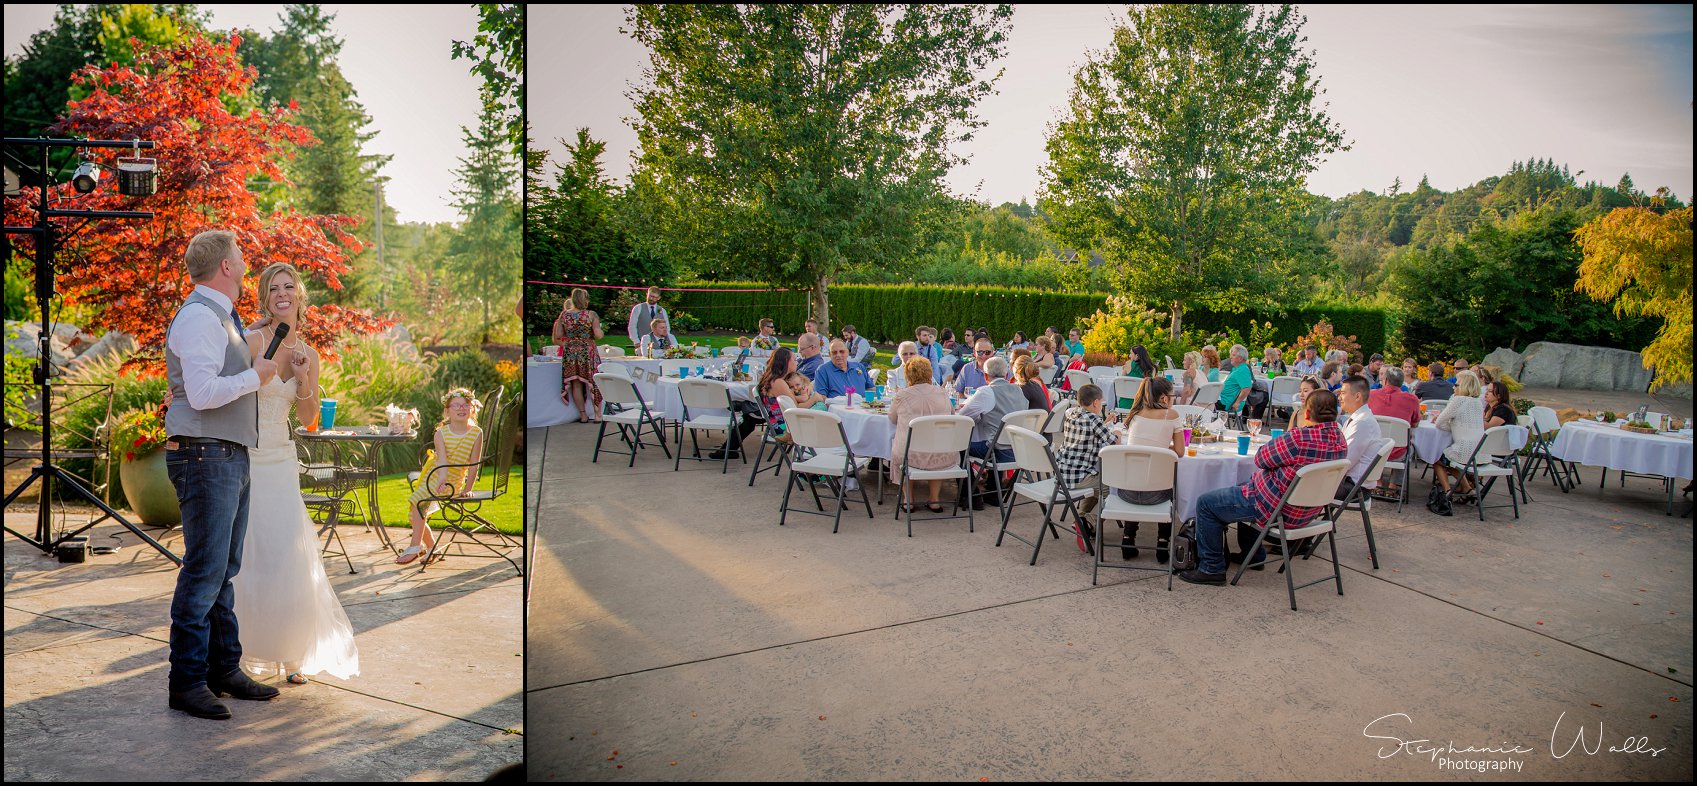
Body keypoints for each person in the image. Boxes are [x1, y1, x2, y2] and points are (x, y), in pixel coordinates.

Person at [163, 230, 282, 719]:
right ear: (226, 267)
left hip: (225, 454)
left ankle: (223, 668)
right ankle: (186, 680)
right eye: (239, 255)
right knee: (204, 568)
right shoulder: (197, 316)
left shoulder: (221, 316)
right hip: (204, 456)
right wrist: (258, 376)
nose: (244, 261)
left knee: (224, 569)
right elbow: (204, 392)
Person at [227, 263, 360, 688]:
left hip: (282, 459)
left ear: (299, 295)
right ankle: (243, 651)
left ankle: (291, 653)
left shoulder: (310, 352)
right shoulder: (251, 340)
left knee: (288, 552)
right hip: (248, 457)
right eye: (273, 289)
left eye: (288, 287)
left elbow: (308, 419)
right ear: (264, 298)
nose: (281, 294)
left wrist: (303, 379)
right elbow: (230, 396)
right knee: (252, 552)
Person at [1178, 389, 1347, 586]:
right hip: (1309, 511)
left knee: (1206, 503)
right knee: (1244, 485)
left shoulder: (1299, 438)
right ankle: (1253, 555)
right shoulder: (1340, 439)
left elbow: (1261, 458)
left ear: (1307, 414)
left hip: (1277, 508)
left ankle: (1211, 567)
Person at [402, 388, 484, 565]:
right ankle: (431, 547)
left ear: (472, 408)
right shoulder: (441, 433)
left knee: (417, 504)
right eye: (456, 405)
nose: (461, 408)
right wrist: (441, 479)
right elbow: (442, 462)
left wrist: (468, 489)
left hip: (454, 480)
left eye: (465, 405)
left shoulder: (476, 433)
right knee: (416, 507)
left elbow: (474, 464)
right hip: (436, 474)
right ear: (447, 411)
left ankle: (416, 546)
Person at [1118, 376, 1184, 561]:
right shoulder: (1171, 415)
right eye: (1172, 396)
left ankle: (1127, 539)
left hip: (1126, 492)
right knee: (1164, 484)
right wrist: (1164, 447)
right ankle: (1162, 545)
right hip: (1156, 494)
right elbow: (1180, 451)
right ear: (1164, 398)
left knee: (1138, 477)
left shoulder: (1135, 413)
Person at [1050, 383, 1116, 550]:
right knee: (1112, 487)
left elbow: (1089, 431)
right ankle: (1088, 521)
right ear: (1095, 403)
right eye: (1101, 402)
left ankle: (1081, 519)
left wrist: (1105, 423)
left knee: (1097, 480)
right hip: (1080, 477)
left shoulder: (1071, 413)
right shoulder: (1094, 420)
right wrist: (1118, 433)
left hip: (1062, 473)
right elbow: (1113, 441)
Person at [887, 356, 956, 513]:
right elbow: (952, 415)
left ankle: (908, 500)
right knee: (934, 448)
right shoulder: (942, 393)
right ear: (929, 373)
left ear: (908, 375)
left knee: (902, 447)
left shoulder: (902, 395)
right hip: (942, 454)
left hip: (911, 454)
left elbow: (892, 419)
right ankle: (934, 500)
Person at [1430, 371, 1486, 512]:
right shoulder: (1478, 403)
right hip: (1480, 452)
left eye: (1456, 384)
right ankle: (1467, 488)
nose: (1453, 387)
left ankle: (1447, 491)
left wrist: (1450, 425)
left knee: (1437, 460)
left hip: (1464, 450)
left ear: (1464, 385)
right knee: (1449, 459)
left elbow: (1439, 423)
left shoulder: (1458, 400)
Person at [956, 355, 1025, 469]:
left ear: (985, 375)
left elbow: (963, 416)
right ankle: (992, 483)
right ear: (1006, 375)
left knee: (960, 445)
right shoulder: (1019, 390)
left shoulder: (986, 392)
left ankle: (969, 486)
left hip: (996, 452)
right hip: (1018, 450)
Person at [554, 288, 603, 423]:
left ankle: (583, 415)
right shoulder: (591, 315)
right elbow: (598, 335)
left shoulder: (564, 315)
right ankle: (598, 414)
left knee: (576, 384)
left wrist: (571, 334)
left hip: (570, 351)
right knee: (594, 381)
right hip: (587, 350)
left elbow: (558, 335)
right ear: (585, 300)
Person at [759, 347, 824, 442]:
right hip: (785, 428)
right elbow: (796, 409)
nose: (797, 362)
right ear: (786, 362)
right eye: (794, 359)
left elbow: (802, 387)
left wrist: (807, 388)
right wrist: (814, 398)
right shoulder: (778, 382)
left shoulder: (775, 379)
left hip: (783, 423)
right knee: (829, 421)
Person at [1335, 375, 1382, 500]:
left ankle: (1297, 519)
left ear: (1357, 396)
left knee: (1302, 486)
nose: (1339, 397)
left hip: (1354, 488)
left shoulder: (1362, 422)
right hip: (1351, 483)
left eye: (1343, 393)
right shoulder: (1357, 418)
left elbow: (1345, 461)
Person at [1369, 366, 1421, 471]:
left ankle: (1377, 480)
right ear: (1402, 383)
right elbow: (1415, 424)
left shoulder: (1371, 395)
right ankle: (1395, 483)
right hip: (1398, 451)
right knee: (1406, 445)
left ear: (1386, 380)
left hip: (1373, 450)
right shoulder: (1412, 399)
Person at [1217, 344, 1255, 415]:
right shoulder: (1239, 368)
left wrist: (1237, 402)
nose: (1230, 357)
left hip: (1225, 403)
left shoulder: (1242, 370)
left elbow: (1247, 387)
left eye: (1233, 355)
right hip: (1224, 400)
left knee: (1200, 402)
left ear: (1240, 358)